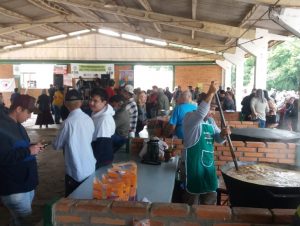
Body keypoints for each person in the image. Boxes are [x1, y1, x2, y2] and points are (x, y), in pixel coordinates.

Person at [182, 81, 230, 205]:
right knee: (192, 204)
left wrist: (223, 134)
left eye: (214, 109)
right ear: (200, 105)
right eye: (211, 108)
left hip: (208, 168)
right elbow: (202, 112)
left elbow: (219, 139)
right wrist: (211, 92)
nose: (212, 112)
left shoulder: (211, 122)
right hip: (193, 167)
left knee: (209, 203)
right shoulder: (190, 118)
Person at [0, 95, 44, 226]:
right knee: (23, 220)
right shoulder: (2, 127)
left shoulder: (17, 124)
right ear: (19, 109)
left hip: (24, 182)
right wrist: (29, 151)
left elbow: (17, 147)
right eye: (28, 112)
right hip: (14, 186)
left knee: (18, 220)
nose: (30, 116)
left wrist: (32, 147)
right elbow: (3, 157)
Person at [53, 89, 96, 197]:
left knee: (73, 198)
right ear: (81, 102)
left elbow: (56, 145)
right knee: (88, 195)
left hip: (75, 169)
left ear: (65, 104)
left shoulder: (67, 123)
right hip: (90, 165)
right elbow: (90, 139)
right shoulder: (89, 119)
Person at [89, 88, 116, 169]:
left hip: (101, 159)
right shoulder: (96, 113)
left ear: (104, 102)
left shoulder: (104, 120)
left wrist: (93, 161)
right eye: (91, 100)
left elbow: (103, 144)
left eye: (95, 101)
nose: (91, 103)